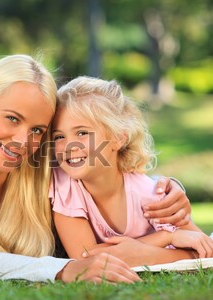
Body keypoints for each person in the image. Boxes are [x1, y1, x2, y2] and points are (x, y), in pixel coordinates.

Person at [0, 55, 191, 284]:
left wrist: (167, 187)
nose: (22, 141)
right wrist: (65, 270)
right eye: (12, 118)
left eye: (38, 130)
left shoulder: (46, 153)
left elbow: (110, 169)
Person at [51, 76, 213, 264]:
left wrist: (144, 251)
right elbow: (84, 256)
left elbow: (205, 249)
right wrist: (165, 238)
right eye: (59, 136)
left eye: (82, 133)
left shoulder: (150, 195)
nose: (69, 146)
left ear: (118, 139)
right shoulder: (65, 185)